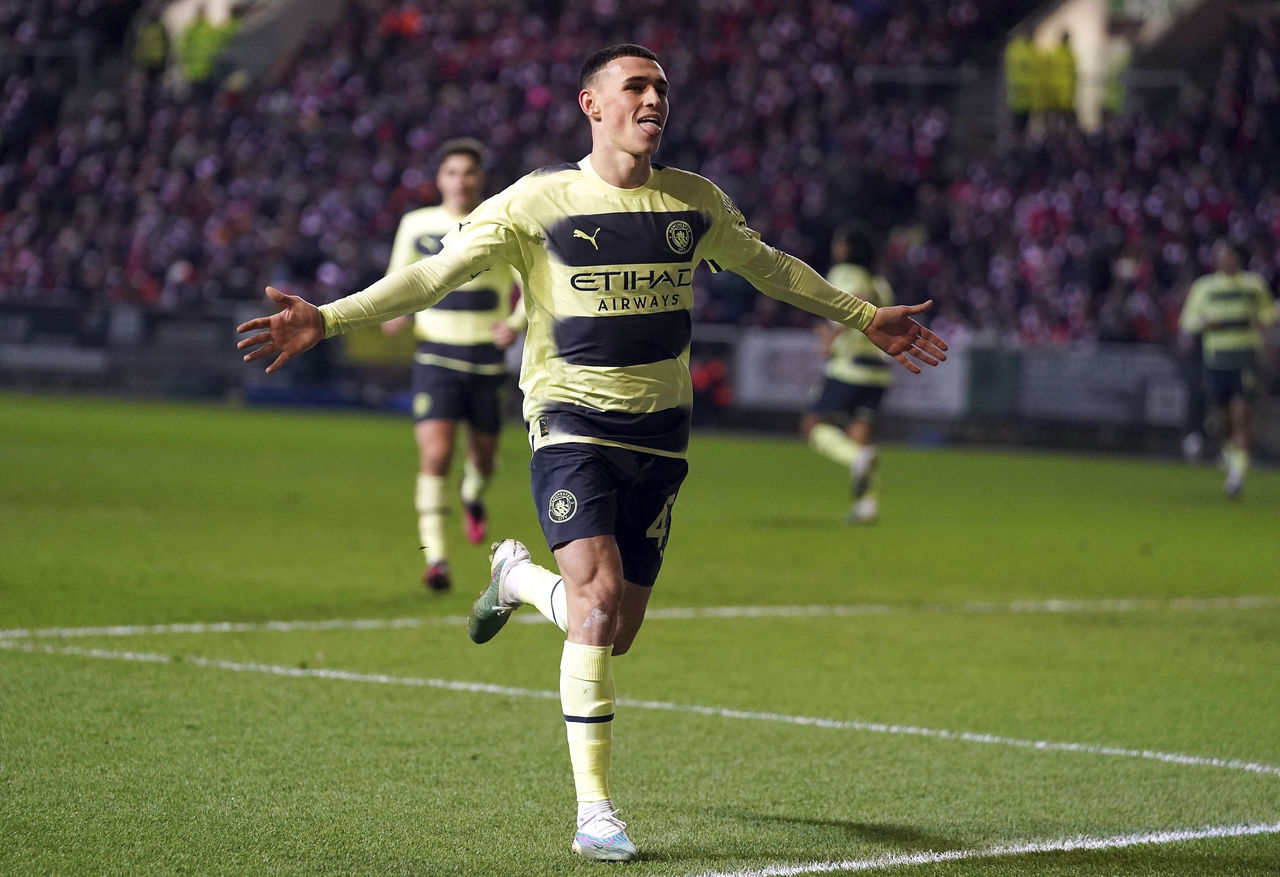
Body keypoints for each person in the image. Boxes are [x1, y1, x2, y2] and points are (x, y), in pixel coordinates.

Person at [237, 44, 948, 862]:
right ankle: (595, 811)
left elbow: (770, 268)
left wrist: (863, 316)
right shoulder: (537, 200)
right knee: (599, 598)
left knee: (615, 629)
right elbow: (435, 276)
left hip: (662, 435)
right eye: (636, 86)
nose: (654, 100)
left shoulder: (694, 200)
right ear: (592, 104)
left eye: (661, 88)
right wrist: (328, 317)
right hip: (570, 421)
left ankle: (515, 578)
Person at [380, 138, 526, 593]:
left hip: (485, 360)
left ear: (481, 179)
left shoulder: (500, 223)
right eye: (452, 172)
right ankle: (436, 559)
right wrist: (393, 311)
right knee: (437, 454)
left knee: (483, 458)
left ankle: (472, 495)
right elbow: (397, 278)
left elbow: (531, 283)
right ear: (439, 179)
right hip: (436, 357)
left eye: (469, 172)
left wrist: (515, 324)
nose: (461, 181)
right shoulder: (416, 225)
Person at [800, 222, 894, 524]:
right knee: (859, 436)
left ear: (849, 248)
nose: (835, 246)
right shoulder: (881, 282)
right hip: (878, 370)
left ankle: (858, 459)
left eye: (840, 242)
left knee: (813, 426)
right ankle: (867, 506)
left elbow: (859, 298)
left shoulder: (846, 273)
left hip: (850, 366)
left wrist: (833, 335)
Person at [1178, 239, 1277, 498]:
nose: (1224, 260)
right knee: (1223, 421)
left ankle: (1236, 478)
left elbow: (1269, 312)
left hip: (1244, 358)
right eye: (1220, 256)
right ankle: (1228, 451)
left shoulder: (1253, 285)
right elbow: (1188, 320)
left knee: (1241, 416)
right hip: (1216, 360)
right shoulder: (1205, 287)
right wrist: (1204, 324)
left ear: (1238, 258)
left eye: (1228, 256)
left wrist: (1262, 320)